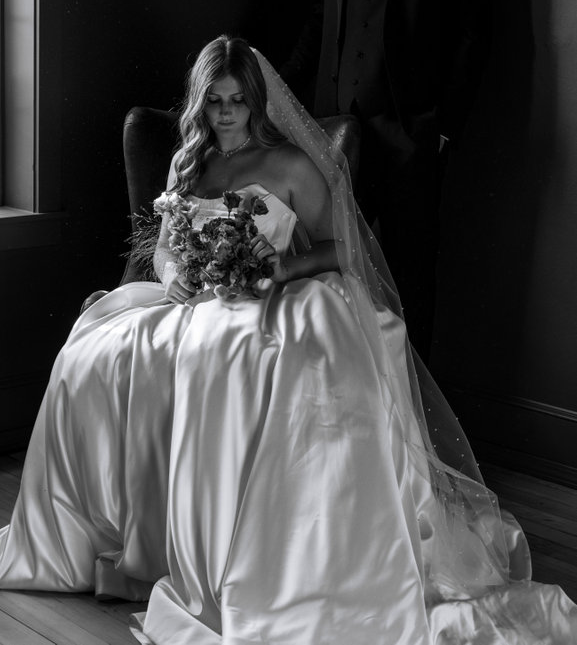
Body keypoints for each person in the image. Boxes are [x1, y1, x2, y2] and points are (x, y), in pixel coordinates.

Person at [0, 35, 575, 645]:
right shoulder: (186, 163)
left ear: (256, 102)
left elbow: (341, 250)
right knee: (91, 347)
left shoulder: (292, 166)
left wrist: (277, 270)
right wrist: (175, 276)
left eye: (238, 101)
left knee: (224, 355)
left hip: (269, 298)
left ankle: (232, 560)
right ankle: (102, 537)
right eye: (215, 101)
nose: (226, 114)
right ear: (200, 103)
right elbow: (168, 246)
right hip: (190, 300)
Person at [281, 0, 491, 362]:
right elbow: (322, 21)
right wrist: (275, 95)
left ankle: (413, 425)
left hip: (409, 137)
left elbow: (474, 40)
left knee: (410, 277)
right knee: (328, 268)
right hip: (332, 136)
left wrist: (442, 128)